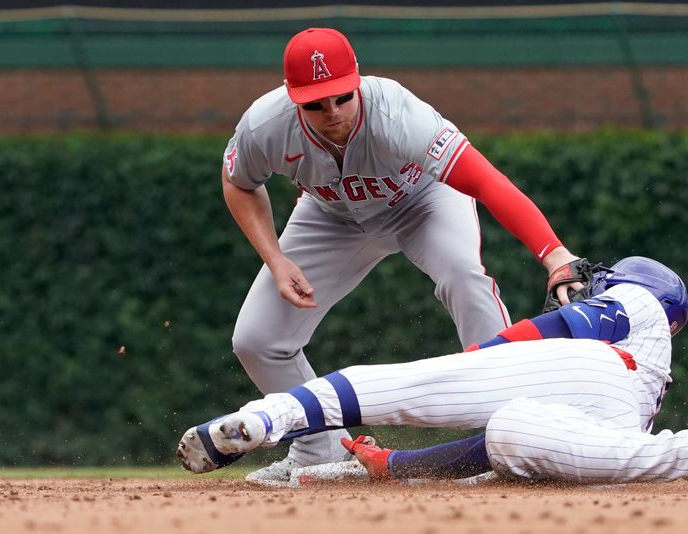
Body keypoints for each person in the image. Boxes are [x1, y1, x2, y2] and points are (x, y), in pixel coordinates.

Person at [219, 26, 582, 482]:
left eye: (341, 97)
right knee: (257, 340)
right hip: (330, 216)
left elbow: (487, 181)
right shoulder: (264, 125)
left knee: (463, 276)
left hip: (423, 201)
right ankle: (318, 452)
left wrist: (554, 255)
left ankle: (514, 433)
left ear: (357, 81)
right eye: (315, 103)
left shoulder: (399, 114)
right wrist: (274, 258)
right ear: (292, 98)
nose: (332, 112)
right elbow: (238, 182)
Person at [177, 257, 688, 486]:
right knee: (511, 436)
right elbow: (487, 449)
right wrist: (394, 466)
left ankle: (265, 417)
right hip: (610, 429)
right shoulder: (655, 374)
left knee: (409, 384)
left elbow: (560, 330)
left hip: (593, 368)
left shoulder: (637, 304)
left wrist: (478, 360)